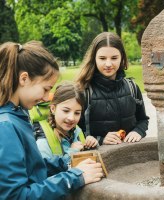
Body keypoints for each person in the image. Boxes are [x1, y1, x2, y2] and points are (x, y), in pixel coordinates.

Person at [0, 41, 103, 199]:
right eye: (46, 88)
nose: (47, 97)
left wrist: (68, 163)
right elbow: (16, 196)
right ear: (24, 79)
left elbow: (33, 167)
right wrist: (75, 178)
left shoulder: (18, 114)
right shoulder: (6, 126)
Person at [76, 32, 149, 146]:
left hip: (132, 156)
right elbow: (74, 131)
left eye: (114, 58)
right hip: (99, 159)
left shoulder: (132, 87)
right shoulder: (83, 92)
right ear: (94, 59)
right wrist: (100, 139)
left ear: (122, 58)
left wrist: (138, 131)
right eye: (102, 58)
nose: (108, 63)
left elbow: (143, 120)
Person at [36, 81, 98, 159]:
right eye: (66, 111)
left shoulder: (77, 131)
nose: (71, 118)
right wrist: (72, 152)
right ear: (53, 109)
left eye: (77, 113)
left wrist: (90, 145)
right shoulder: (42, 142)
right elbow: (45, 170)